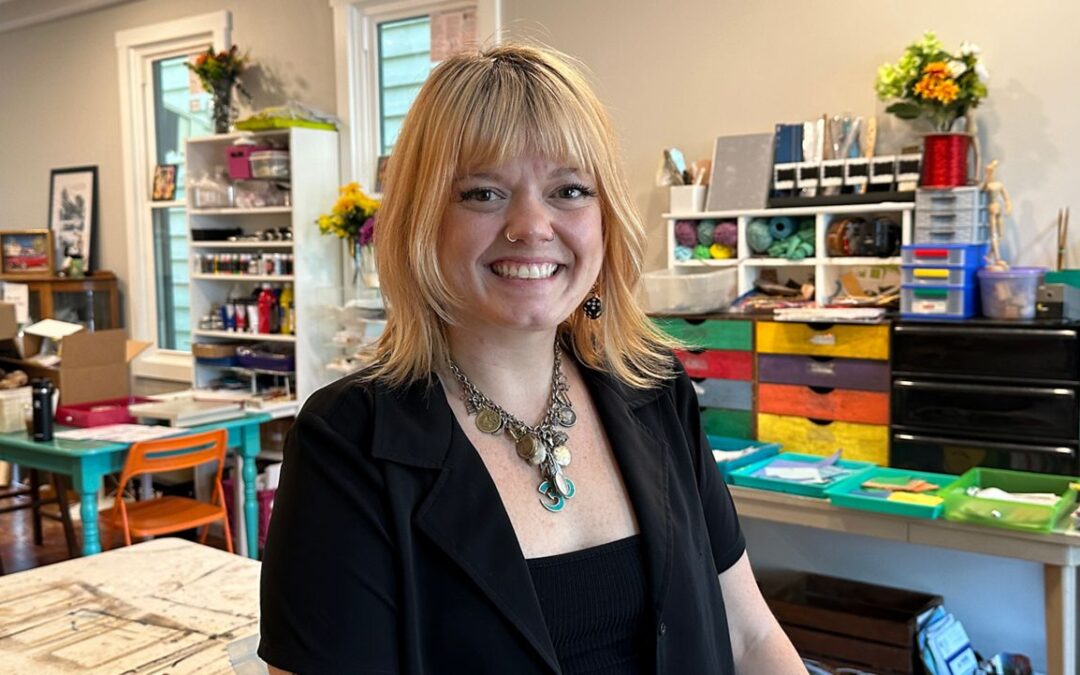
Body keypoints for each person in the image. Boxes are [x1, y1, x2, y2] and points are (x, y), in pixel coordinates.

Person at [259, 43, 802, 674]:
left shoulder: (654, 389)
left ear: (605, 217)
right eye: (483, 193)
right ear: (422, 219)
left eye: (569, 190)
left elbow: (749, 638)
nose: (532, 225)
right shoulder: (347, 444)